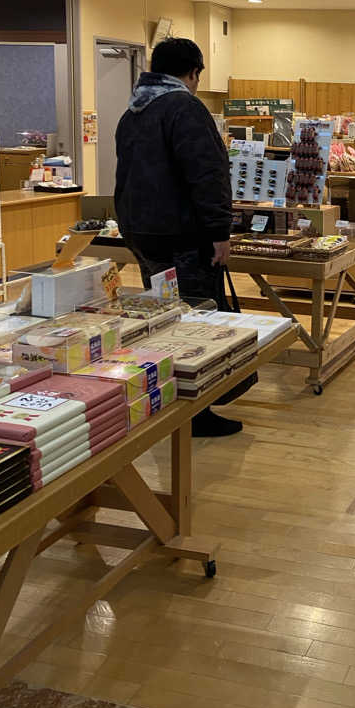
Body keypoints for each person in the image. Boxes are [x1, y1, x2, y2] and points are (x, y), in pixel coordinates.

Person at [114, 36, 242, 437]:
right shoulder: (185, 108)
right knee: (195, 321)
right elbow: (208, 174)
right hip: (182, 236)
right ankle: (193, 414)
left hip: (142, 232)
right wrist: (220, 231)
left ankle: (166, 402)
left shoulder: (134, 111)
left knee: (164, 319)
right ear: (193, 73)